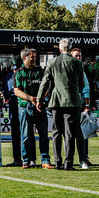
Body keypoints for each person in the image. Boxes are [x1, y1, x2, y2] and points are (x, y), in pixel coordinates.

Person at [36, 38, 85, 170]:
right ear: (70, 48)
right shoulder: (77, 63)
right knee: (69, 134)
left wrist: (39, 99)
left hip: (56, 101)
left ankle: (57, 162)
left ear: (60, 48)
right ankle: (68, 163)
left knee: (56, 131)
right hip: (72, 101)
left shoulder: (52, 62)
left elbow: (44, 82)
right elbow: (82, 84)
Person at [15, 48, 53, 170]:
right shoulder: (19, 72)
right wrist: (30, 98)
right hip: (24, 106)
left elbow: (47, 86)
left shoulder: (40, 71)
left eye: (35, 57)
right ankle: (26, 160)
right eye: (32, 57)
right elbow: (16, 90)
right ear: (25, 58)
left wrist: (41, 100)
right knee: (25, 135)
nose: (34, 59)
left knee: (43, 135)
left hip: (40, 106)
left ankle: (45, 160)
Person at [69, 47, 94, 169]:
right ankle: (69, 159)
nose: (78, 58)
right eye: (76, 56)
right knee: (67, 134)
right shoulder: (67, 70)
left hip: (78, 106)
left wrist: (87, 105)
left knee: (81, 134)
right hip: (67, 105)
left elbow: (86, 90)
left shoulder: (82, 72)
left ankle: (83, 159)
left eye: (79, 56)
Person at [3, 61, 23, 168]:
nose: (15, 71)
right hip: (13, 107)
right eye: (14, 69)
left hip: (22, 105)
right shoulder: (9, 77)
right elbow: (6, 92)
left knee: (25, 133)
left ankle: (28, 158)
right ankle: (17, 158)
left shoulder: (23, 75)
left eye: (17, 69)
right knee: (15, 134)